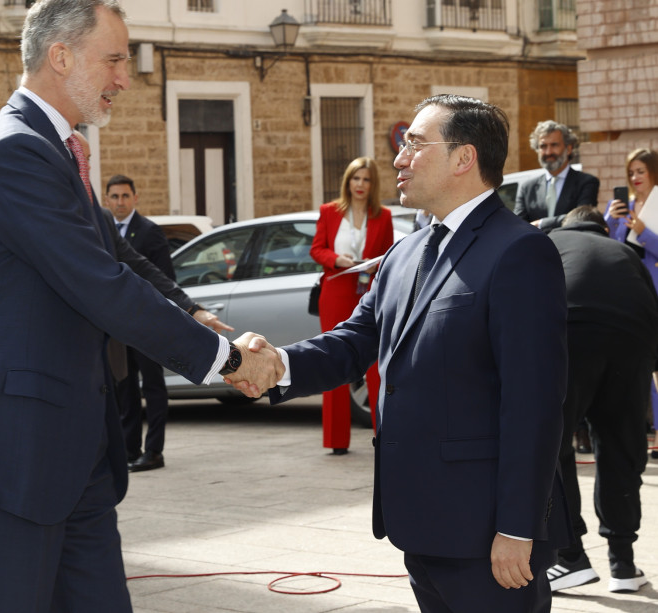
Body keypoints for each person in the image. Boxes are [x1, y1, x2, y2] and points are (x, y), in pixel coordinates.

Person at [0, 1, 280, 610]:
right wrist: (224, 360)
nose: (124, 78)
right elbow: (98, 283)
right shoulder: (14, 151)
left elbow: (120, 258)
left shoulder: (57, 150)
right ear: (59, 56)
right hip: (8, 457)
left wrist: (195, 316)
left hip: (70, 453)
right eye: (113, 59)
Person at [244, 94, 571, 612]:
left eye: (414, 144)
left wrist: (517, 526)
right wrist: (272, 364)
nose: (397, 159)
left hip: (486, 534)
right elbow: (353, 342)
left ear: (464, 158)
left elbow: (533, 404)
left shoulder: (519, 251)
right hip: (420, 525)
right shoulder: (404, 252)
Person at [543, 205, 655, 594]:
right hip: (633, 341)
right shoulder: (624, 252)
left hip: (570, 334)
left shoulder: (552, 241)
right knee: (620, 451)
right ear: (603, 228)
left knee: (552, 448)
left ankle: (570, 557)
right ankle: (623, 565)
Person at [309, 157, 393, 455]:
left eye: (366, 179)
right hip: (336, 290)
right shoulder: (329, 212)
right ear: (348, 181)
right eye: (356, 178)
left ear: (373, 184)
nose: (360, 185)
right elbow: (316, 249)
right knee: (333, 360)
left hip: (368, 293)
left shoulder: (383, 216)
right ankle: (335, 440)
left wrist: (376, 265)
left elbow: (389, 255)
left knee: (374, 364)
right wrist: (337, 260)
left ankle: (383, 435)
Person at [107, 174, 177, 472]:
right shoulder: (104, 230)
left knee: (153, 387)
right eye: (114, 197)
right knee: (125, 389)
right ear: (106, 199)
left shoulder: (150, 232)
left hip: (147, 324)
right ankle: (129, 448)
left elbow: (163, 276)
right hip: (119, 326)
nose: (120, 202)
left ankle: (154, 451)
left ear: (135, 198)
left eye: (125, 196)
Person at [604, 148, 658, 441]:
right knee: (640, 365)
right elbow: (607, 247)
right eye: (631, 172)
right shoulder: (623, 205)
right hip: (629, 293)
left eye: (641, 171)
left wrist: (644, 232)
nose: (635, 177)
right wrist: (611, 221)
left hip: (655, 291)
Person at [513, 120, 600, 231]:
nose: (548, 152)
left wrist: (541, 223)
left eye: (554, 145)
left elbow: (582, 218)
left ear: (568, 149)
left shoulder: (586, 182)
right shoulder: (527, 188)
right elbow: (518, 224)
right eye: (543, 146)